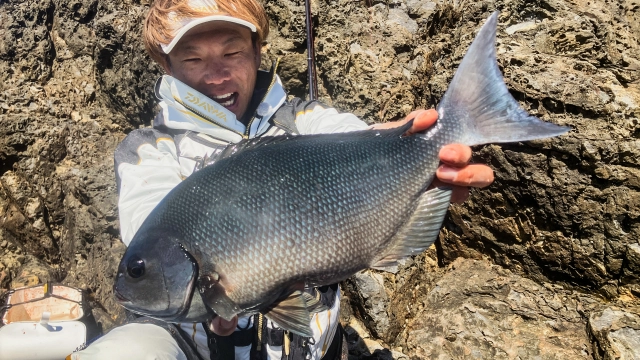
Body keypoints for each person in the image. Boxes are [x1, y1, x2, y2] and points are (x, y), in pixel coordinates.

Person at [69, 0, 493, 359]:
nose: (216, 75)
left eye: (232, 52)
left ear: (257, 49)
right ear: (166, 63)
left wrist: (412, 145)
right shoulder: (148, 149)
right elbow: (149, 216)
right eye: (194, 59)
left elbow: (354, 140)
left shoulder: (304, 120)